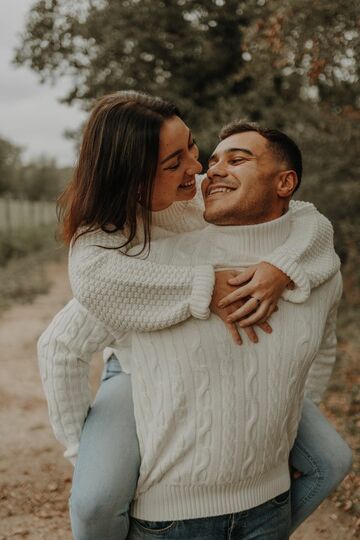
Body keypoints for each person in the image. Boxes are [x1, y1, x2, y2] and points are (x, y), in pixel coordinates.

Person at [37, 92, 351, 540]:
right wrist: (79, 449)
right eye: (173, 163)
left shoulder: (202, 196)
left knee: (332, 459)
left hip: (230, 401)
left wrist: (283, 267)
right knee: (97, 497)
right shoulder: (118, 242)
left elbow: (308, 219)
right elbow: (70, 322)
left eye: (192, 145)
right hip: (133, 364)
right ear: (136, 182)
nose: (200, 168)